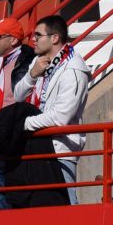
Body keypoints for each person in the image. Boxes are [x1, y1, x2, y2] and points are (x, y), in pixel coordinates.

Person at [16, 16, 92, 201]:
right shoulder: (40, 63)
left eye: (38, 35)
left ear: (55, 38)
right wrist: (32, 75)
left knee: (65, 204)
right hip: (37, 145)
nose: (32, 39)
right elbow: (17, 97)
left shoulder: (73, 70)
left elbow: (61, 117)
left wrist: (23, 124)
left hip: (60, 151)